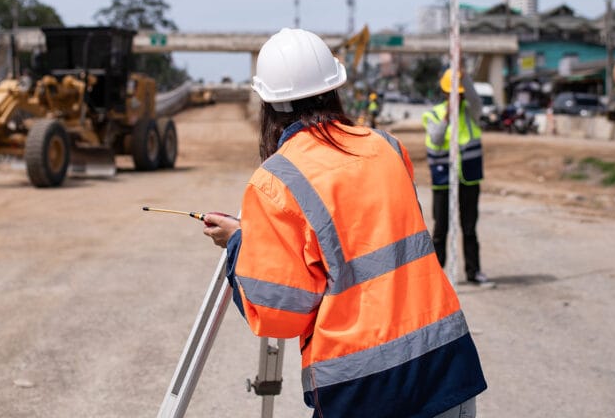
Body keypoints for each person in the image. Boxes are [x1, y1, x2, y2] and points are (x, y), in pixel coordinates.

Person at [202, 28, 487, 418]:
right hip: (445, 367)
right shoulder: (387, 147)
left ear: (269, 104)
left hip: (365, 390)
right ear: (336, 87)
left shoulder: (276, 179)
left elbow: (279, 313)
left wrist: (240, 244)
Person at [422, 67, 490, 286]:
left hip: (468, 178)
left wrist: (464, 76)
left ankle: (474, 271)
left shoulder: (472, 112)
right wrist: (448, 116)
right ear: (445, 93)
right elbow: (437, 137)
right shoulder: (432, 114)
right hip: (443, 181)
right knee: (441, 229)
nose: (458, 98)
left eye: (460, 94)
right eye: (454, 94)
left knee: (469, 228)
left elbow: (476, 99)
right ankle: (436, 276)